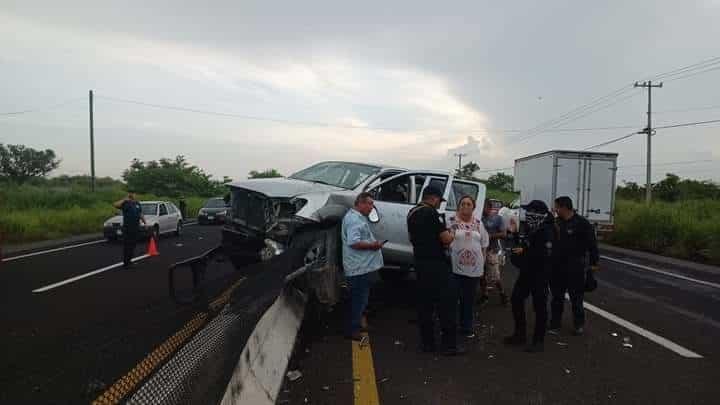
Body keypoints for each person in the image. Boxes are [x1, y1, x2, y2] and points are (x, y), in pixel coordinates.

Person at [407, 186, 464, 355]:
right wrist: (452, 231)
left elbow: (411, 238)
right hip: (437, 265)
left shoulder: (412, 212)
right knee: (447, 305)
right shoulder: (431, 213)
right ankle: (449, 346)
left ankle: (427, 344)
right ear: (434, 198)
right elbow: (446, 240)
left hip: (420, 263)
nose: (439, 204)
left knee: (425, 306)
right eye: (439, 201)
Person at [503, 200, 555, 353]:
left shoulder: (547, 230)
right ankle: (520, 334)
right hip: (527, 272)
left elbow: (544, 255)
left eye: (529, 212)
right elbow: (528, 244)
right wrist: (520, 246)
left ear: (537, 214)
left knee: (539, 307)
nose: (526, 215)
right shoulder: (535, 227)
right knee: (516, 299)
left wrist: (524, 253)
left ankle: (538, 341)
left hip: (540, 275)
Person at [549, 196, 600, 336]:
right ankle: (554, 324)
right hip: (557, 267)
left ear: (564, 207)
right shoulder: (556, 222)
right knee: (556, 297)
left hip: (575, 267)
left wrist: (593, 265)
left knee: (576, 298)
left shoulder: (582, 223)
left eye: (557, 207)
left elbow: (592, 245)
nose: (555, 210)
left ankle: (578, 325)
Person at [341, 192, 384, 341]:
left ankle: (357, 325)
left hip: (361, 267)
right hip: (358, 268)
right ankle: (352, 330)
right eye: (370, 204)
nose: (372, 207)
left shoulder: (356, 217)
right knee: (358, 300)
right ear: (360, 204)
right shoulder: (354, 220)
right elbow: (353, 242)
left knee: (360, 299)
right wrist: (373, 245)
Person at [447, 196, 489, 339]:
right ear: (459, 206)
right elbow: (445, 241)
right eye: (463, 203)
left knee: (469, 300)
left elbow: (484, 244)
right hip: (455, 268)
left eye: (469, 204)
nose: (465, 206)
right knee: (452, 299)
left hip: (474, 269)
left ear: (473, 207)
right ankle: (451, 328)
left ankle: (467, 327)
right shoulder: (451, 221)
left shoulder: (478, 223)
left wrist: (482, 263)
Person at [479, 199, 509, 306]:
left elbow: (504, 234)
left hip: (492, 251)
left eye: (483, 207)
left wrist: (490, 236)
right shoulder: (479, 218)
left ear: (489, 207)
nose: (481, 209)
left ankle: (503, 294)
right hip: (480, 251)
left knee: (495, 276)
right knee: (481, 275)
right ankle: (484, 295)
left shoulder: (497, 218)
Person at [113, 192, 146, 268]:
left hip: (136, 227)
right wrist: (124, 199)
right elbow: (115, 204)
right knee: (127, 245)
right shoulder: (126, 203)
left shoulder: (137, 203)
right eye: (133, 194)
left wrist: (145, 222)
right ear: (130, 195)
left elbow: (140, 213)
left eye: (135, 194)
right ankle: (126, 263)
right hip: (128, 227)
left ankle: (130, 261)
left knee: (133, 245)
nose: (135, 195)